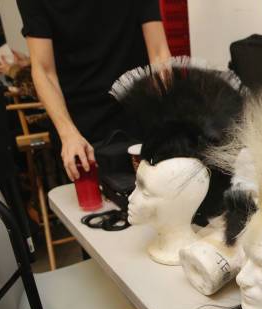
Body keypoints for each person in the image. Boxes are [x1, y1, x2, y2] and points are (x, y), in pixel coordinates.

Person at [16, 0, 171, 181]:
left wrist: (168, 112)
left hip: (139, 112)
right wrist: (68, 133)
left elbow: (159, 52)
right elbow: (43, 69)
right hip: (81, 130)